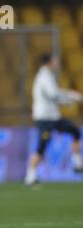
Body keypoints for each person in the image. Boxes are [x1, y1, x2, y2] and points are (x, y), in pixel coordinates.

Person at [24, 53, 83, 186]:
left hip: (53, 117)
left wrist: (68, 96)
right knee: (42, 146)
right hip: (45, 118)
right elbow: (52, 94)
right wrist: (69, 98)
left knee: (75, 131)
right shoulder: (44, 76)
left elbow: (54, 92)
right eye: (54, 60)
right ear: (49, 62)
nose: (56, 62)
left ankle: (77, 163)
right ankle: (30, 176)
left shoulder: (47, 76)